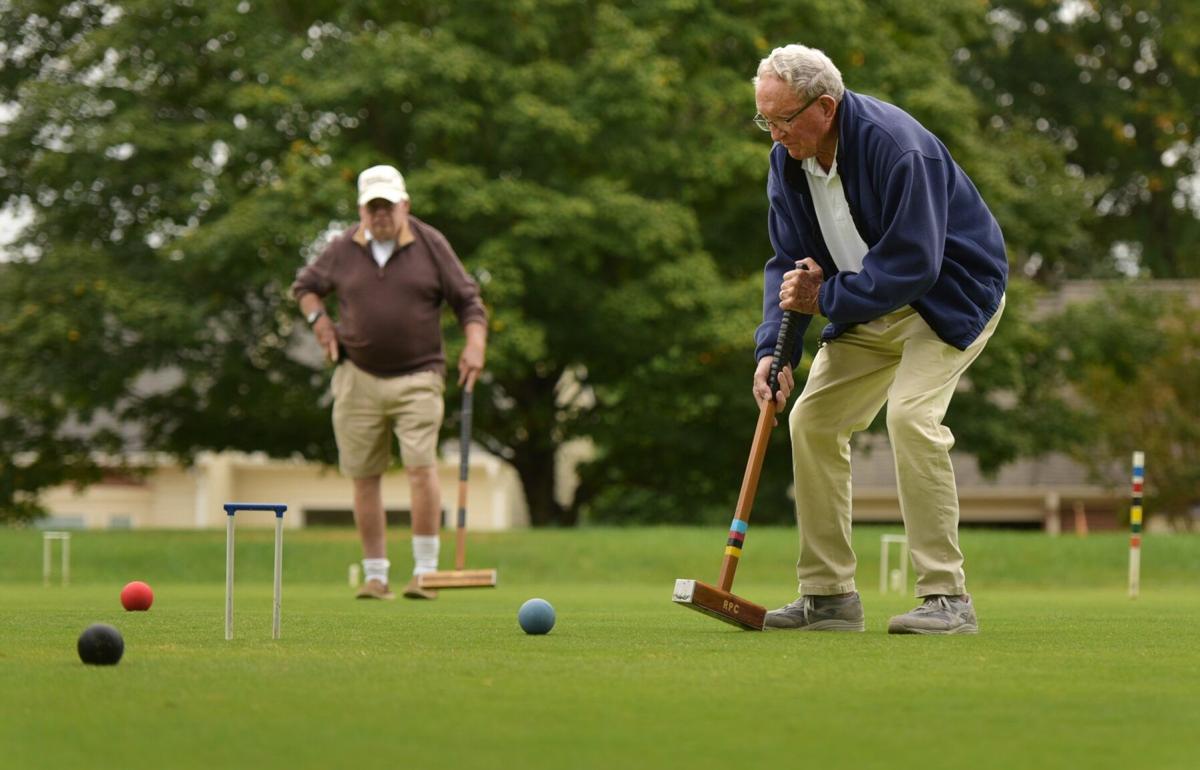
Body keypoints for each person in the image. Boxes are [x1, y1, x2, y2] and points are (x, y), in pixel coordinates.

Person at [750, 45, 1008, 634]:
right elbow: (788, 264)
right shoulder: (787, 162)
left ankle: (947, 598)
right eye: (765, 119)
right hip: (866, 305)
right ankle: (829, 597)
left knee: (911, 418)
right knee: (810, 420)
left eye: (784, 119)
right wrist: (775, 352)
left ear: (824, 106)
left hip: (946, 298)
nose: (774, 132)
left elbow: (915, 263)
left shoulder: (896, 147)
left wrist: (829, 301)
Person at [293, 164, 487, 600]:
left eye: (388, 206)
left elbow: (468, 301)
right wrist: (319, 321)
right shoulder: (342, 247)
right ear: (362, 209)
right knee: (365, 475)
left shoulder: (431, 244)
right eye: (372, 208)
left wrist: (475, 344)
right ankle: (376, 575)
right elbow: (304, 287)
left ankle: (424, 572)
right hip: (357, 376)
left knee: (421, 468)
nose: (380, 215)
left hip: (419, 376)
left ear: (405, 205)